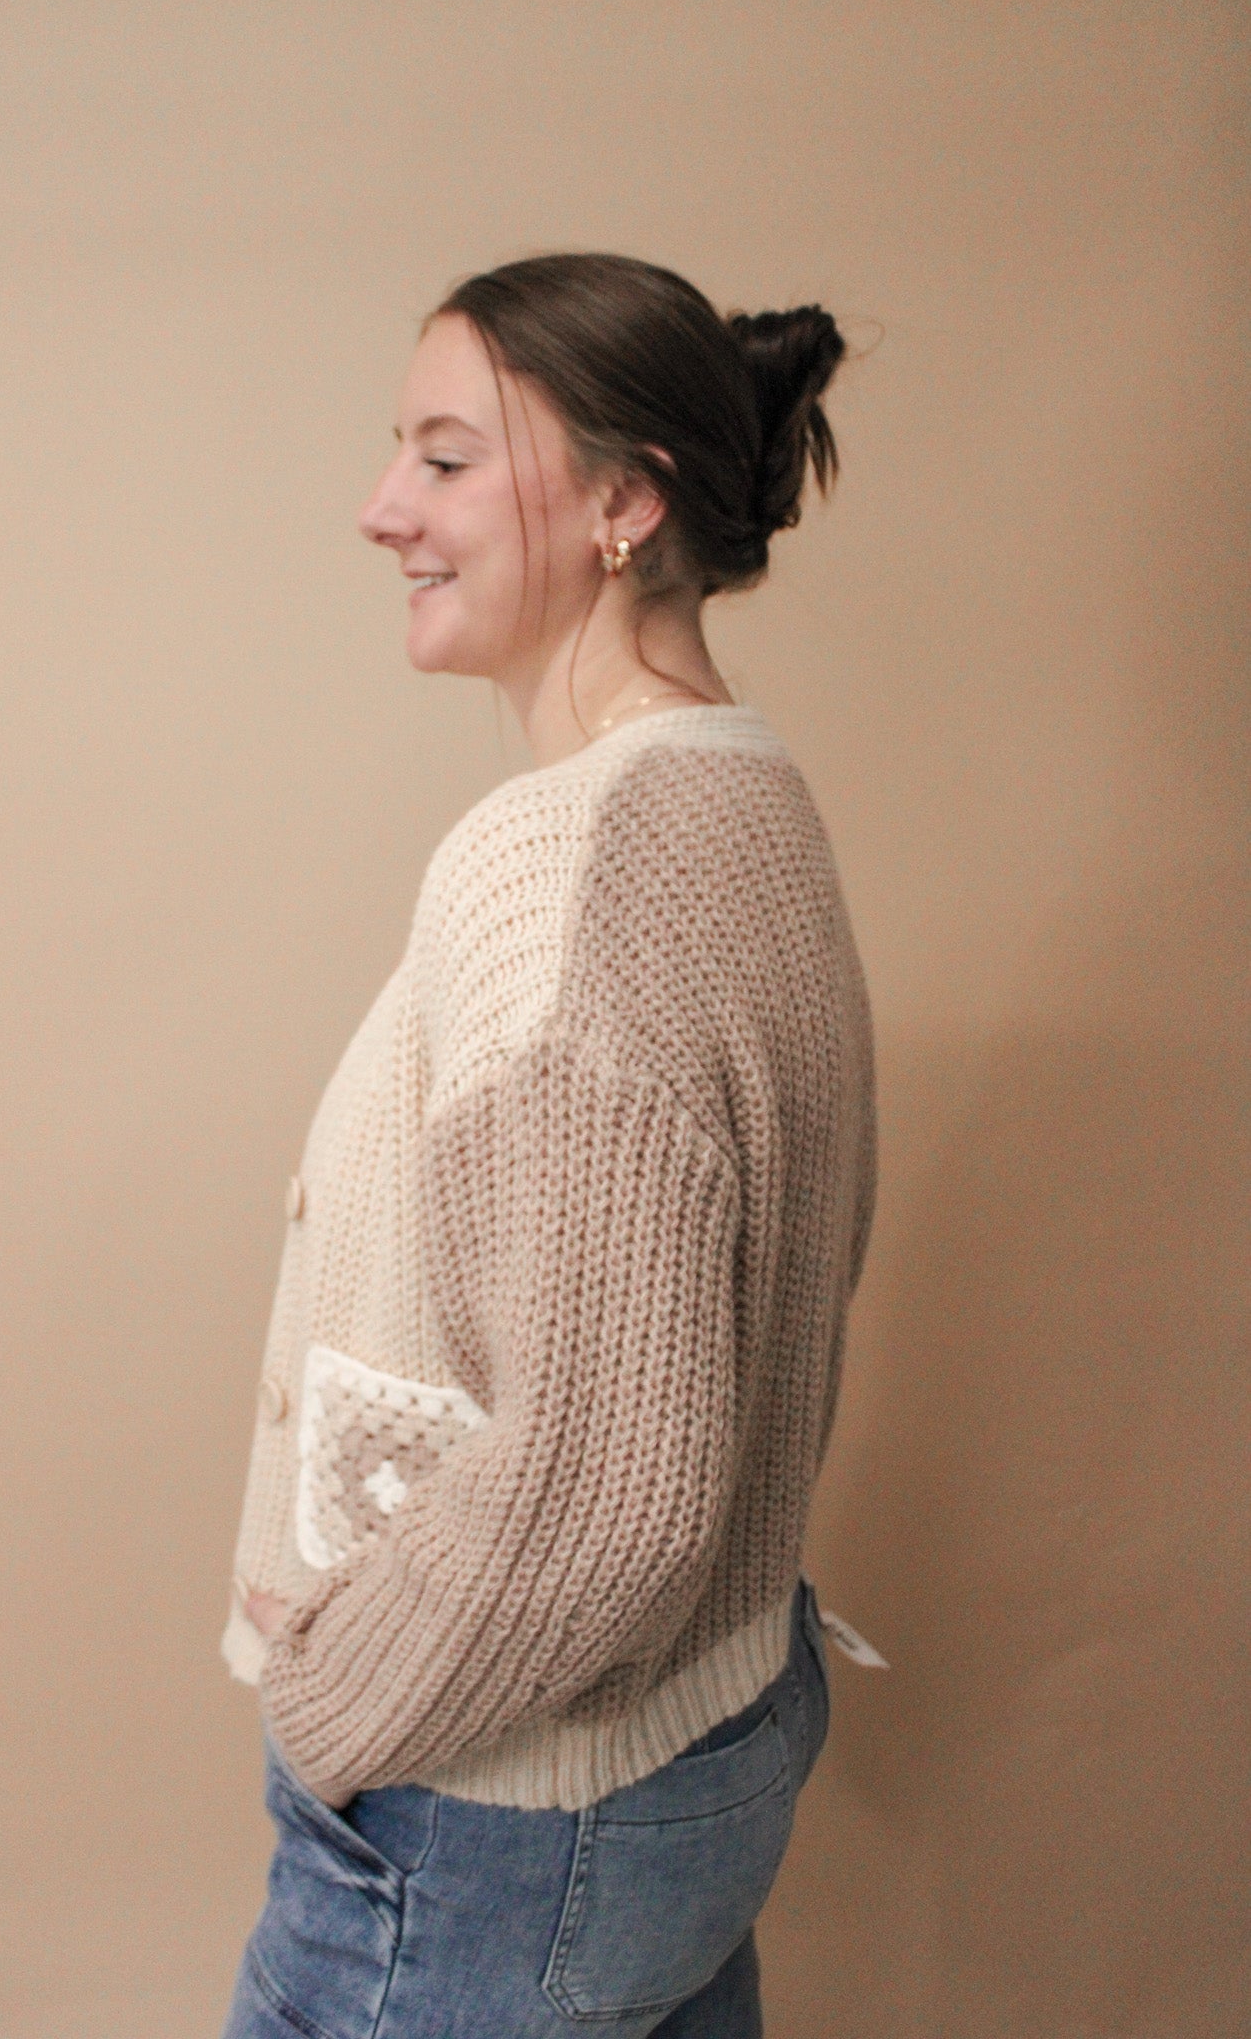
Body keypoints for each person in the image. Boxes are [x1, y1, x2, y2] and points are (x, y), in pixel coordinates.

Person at [219, 252, 876, 2039]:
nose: (383, 509)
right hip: (692, 1746)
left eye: (444, 459)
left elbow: (609, 1478)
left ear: (619, 504)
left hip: (505, 1819)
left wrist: (332, 1709)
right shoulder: (744, 793)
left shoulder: (559, 870)